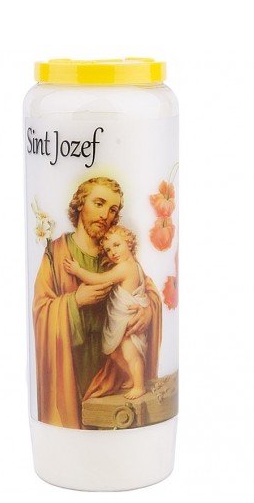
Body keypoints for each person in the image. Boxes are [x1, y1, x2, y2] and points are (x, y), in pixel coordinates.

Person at [32, 176, 162, 428]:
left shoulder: (116, 255)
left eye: (113, 209)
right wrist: (74, 302)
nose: (105, 215)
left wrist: (147, 313)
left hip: (111, 379)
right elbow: (40, 311)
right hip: (71, 372)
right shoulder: (56, 253)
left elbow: (148, 293)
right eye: (99, 203)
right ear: (80, 204)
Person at [64, 225, 149, 399]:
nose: (112, 252)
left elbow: (100, 279)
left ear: (129, 243)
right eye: (108, 250)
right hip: (122, 319)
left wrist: (78, 271)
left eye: (117, 245)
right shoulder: (133, 265)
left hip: (127, 321)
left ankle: (139, 386)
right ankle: (132, 378)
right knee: (115, 353)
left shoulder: (125, 268)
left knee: (130, 354)